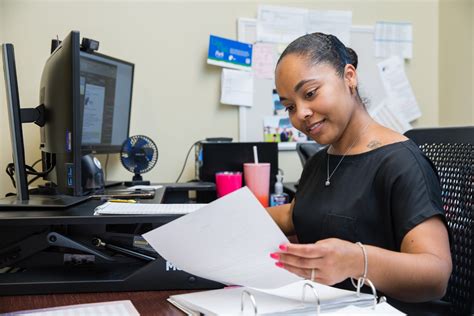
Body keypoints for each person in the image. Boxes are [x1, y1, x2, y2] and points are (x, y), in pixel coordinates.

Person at [267, 32, 452, 306]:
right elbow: (300, 213)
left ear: (349, 77)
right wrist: (223, 217)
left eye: (310, 93)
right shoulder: (320, 162)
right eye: (290, 107)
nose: (301, 114)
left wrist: (357, 261)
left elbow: (435, 275)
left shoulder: (400, 162)